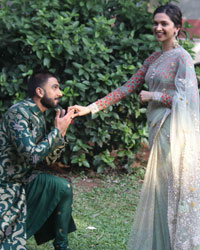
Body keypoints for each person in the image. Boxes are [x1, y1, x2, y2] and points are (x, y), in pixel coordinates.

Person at [69, 3, 200, 250]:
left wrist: (155, 97)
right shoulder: (155, 58)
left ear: (178, 28)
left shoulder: (182, 58)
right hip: (157, 130)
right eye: (156, 23)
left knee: (172, 191)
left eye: (164, 24)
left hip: (173, 132)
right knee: (161, 192)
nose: (158, 28)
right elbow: (127, 87)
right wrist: (91, 108)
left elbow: (190, 101)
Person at [0, 72, 77, 250]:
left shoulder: (38, 116)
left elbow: (45, 160)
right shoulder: (18, 113)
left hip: (24, 182)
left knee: (62, 186)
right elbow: (32, 156)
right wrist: (56, 133)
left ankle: (62, 246)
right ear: (40, 92)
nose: (60, 93)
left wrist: (61, 134)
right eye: (55, 88)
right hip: (6, 188)